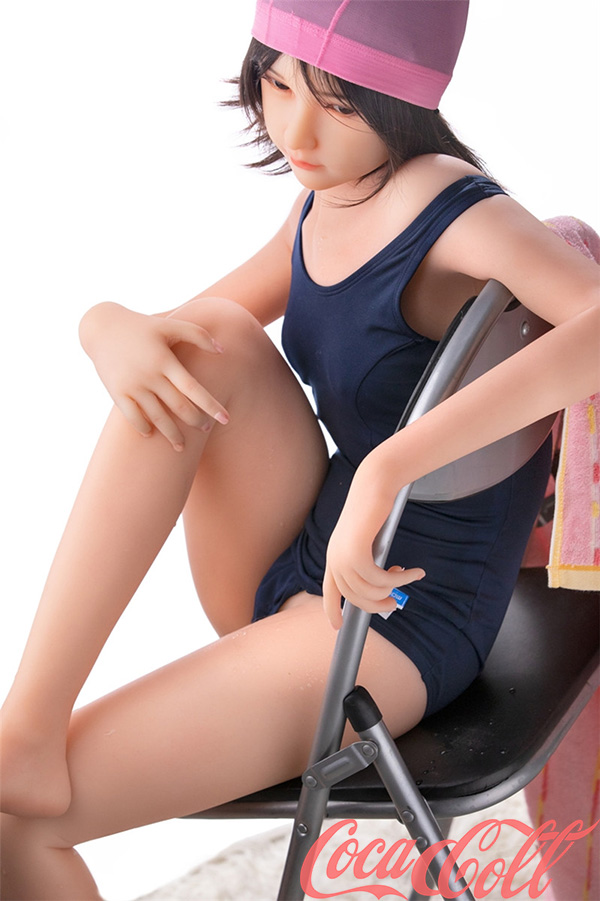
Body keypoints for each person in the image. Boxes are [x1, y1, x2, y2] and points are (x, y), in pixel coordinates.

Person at [1, 1, 598, 897]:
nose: (297, 132)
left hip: (394, 622)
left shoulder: (458, 212)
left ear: (400, 101)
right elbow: (179, 338)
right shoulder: (324, 202)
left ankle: (23, 759)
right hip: (301, 555)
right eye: (278, 87)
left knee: (14, 826)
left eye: (338, 103)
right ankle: (28, 724)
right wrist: (101, 324)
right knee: (208, 341)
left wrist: (393, 465)